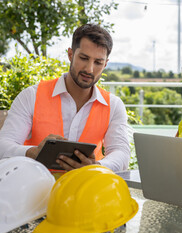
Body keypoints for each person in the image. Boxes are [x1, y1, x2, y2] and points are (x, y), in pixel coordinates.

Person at [0, 24, 130, 172]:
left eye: (98, 62)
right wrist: (32, 152)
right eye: (83, 58)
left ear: (105, 64)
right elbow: (3, 146)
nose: (89, 69)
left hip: (87, 189)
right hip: (36, 189)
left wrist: (96, 167)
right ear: (70, 55)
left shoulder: (113, 105)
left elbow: (122, 153)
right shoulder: (31, 96)